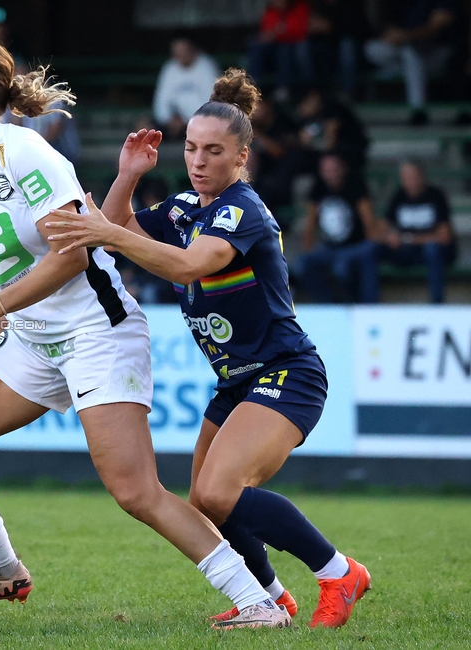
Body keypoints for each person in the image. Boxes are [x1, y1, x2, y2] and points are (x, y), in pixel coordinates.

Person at [0, 36, 290, 629]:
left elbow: (71, 257)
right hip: (35, 337)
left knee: (136, 492)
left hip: (97, 332)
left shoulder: (25, 153)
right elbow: (12, 271)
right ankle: (1, 568)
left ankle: (259, 603)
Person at [45, 69, 371, 629]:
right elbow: (119, 224)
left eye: (214, 151)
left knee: (222, 490)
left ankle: (339, 572)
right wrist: (127, 175)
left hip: (286, 372)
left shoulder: (241, 209)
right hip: (238, 381)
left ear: (242, 155)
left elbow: (190, 263)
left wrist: (107, 233)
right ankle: (271, 598)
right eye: (191, 148)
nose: (198, 161)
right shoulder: (184, 208)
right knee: (205, 498)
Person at [295, 151, 380, 303]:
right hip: (329, 248)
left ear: (343, 169)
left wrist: (371, 246)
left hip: (355, 246)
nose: (331, 175)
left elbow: (368, 221)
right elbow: (310, 224)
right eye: (327, 171)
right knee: (302, 265)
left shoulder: (355, 186)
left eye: (334, 170)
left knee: (343, 269)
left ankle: (355, 306)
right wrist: (308, 249)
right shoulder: (318, 188)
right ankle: (329, 305)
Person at [365, 0, 461, 125]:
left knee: (411, 54)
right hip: (405, 53)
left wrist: (407, 36)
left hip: (437, 54)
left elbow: (438, 24)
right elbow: (389, 26)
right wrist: (392, 36)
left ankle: (418, 109)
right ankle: (392, 73)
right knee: (372, 48)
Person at [378, 160, 457, 303]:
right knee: (372, 249)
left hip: (433, 252)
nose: (411, 182)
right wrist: (389, 236)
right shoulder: (399, 196)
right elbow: (381, 228)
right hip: (407, 252)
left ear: (423, 177)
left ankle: (437, 305)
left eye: (414, 177)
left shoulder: (436, 195)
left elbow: (444, 236)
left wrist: (408, 239)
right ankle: (368, 307)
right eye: (407, 178)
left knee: (432, 249)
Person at [152, 35, 220, 140]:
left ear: (192, 49)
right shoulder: (169, 68)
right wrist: (170, 119)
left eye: (183, 50)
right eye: (177, 51)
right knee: (144, 126)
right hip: (172, 123)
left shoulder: (206, 66)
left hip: (201, 122)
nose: (181, 55)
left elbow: (212, 103)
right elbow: (161, 102)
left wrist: (187, 119)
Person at [247, 0, 314, 101]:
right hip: (273, 49)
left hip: (292, 48)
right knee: (256, 46)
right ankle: (252, 85)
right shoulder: (270, 11)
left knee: (285, 50)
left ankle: (283, 88)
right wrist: (273, 35)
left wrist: (277, 34)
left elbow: (299, 30)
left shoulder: (299, 7)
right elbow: (266, 30)